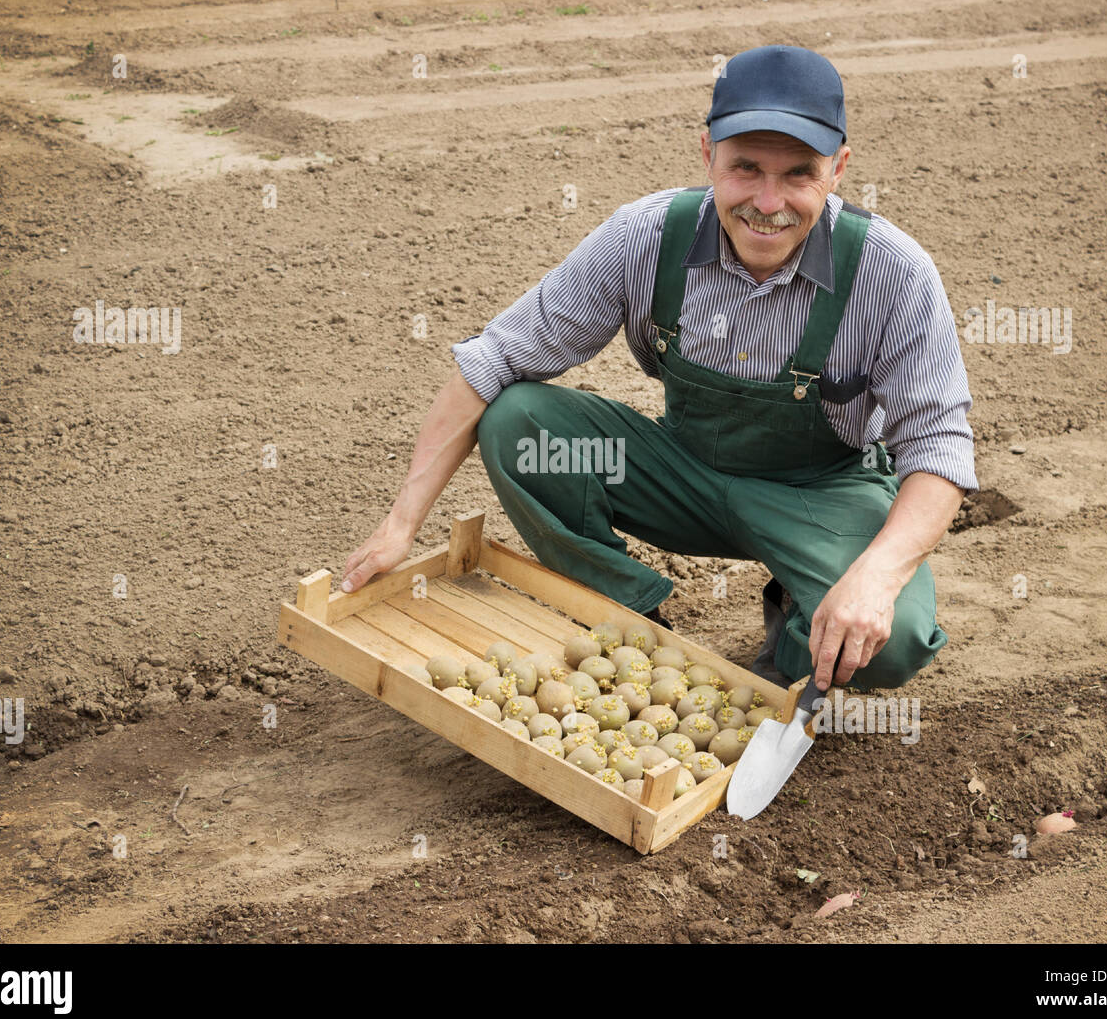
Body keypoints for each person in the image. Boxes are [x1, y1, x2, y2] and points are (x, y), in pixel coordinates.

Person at [341, 44, 976, 695]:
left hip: (819, 493)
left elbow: (940, 447)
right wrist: (400, 525)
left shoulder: (891, 273)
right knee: (519, 424)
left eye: (798, 175)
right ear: (707, 153)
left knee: (890, 639)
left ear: (838, 169)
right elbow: (493, 359)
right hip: (683, 473)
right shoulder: (645, 238)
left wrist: (874, 578)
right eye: (745, 168)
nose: (767, 201)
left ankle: (792, 642)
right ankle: (625, 619)